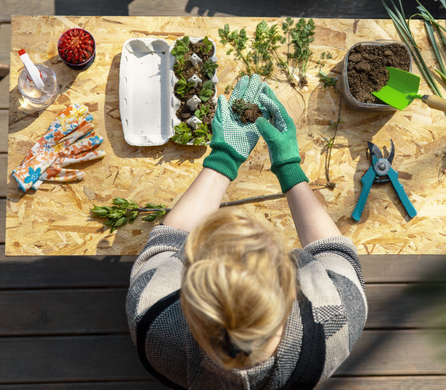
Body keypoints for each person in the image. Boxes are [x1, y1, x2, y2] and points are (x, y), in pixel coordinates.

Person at [126, 75, 367, 389]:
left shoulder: (150, 315)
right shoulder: (338, 317)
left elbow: (167, 240)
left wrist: (224, 158)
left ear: (187, 301)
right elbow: (335, 251)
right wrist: (289, 166)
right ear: (291, 287)